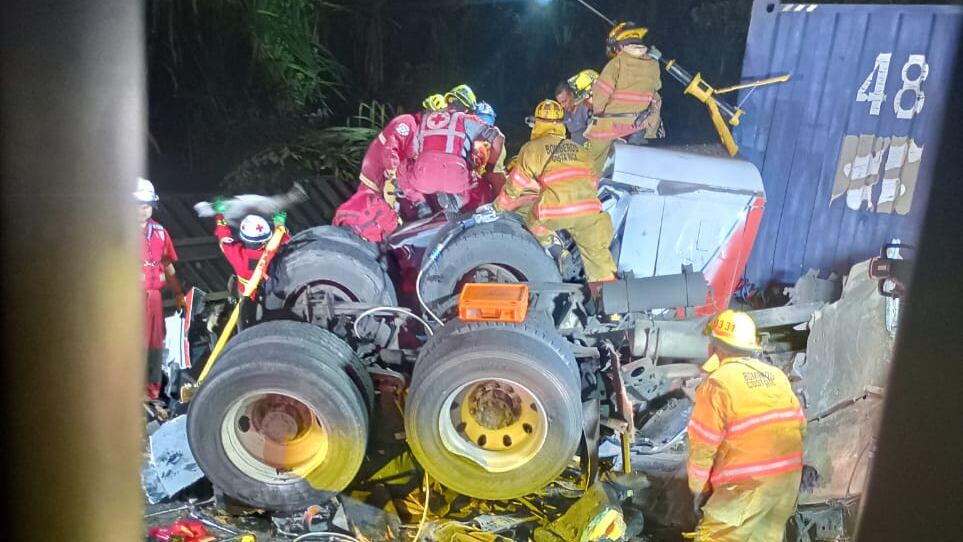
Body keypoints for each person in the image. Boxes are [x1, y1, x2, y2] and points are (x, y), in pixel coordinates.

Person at [687, 310, 806, 542]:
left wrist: (698, 490)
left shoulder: (717, 384)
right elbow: (800, 427)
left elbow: (703, 446)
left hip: (747, 487)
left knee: (714, 537)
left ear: (714, 346)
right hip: (786, 484)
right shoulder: (776, 376)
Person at [493, 100, 617, 286]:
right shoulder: (578, 148)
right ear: (561, 124)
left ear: (537, 123)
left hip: (555, 211)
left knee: (532, 220)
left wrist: (497, 208)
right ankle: (610, 306)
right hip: (589, 211)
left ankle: (558, 251)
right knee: (599, 261)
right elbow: (593, 180)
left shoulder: (532, 149)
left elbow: (515, 185)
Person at [398, 84, 497, 218]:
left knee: (403, 167)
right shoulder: (467, 119)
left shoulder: (424, 119)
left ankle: (420, 203)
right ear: (467, 108)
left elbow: (413, 150)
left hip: (423, 178)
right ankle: (457, 200)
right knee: (472, 180)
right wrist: (491, 167)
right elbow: (497, 136)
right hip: (455, 179)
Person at [585, 22, 663, 174]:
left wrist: (598, 113)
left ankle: (590, 189)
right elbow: (656, 88)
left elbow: (601, 95)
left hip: (611, 125)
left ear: (619, 46)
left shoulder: (616, 63)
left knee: (591, 165)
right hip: (640, 125)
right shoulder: (653, 65)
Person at [333, 110, 421, 241]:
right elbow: (391, 149)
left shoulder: (421, 135)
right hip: (377, 176)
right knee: (365, 213)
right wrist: (393, 175)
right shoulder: (408, 123)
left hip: (387, 181)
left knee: (378, 219)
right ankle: (348, 239)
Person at [135, 177, 185, 400]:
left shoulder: (160, 232)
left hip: (154, 297)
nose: (141, 210)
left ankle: (152, 390)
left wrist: (178, 294)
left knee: (155, 341)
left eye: (146, 205)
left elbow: (168, 264)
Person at [212, 205, 290, 295]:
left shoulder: (235, 253)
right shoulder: (276, 250)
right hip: (274, 295)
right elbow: (282, 238)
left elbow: (223, 237)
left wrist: (220, 215)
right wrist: (279, 222)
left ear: (244, 238)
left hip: (246, 299)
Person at [556, 69, 598, 145]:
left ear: (571, 95)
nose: (562, 105)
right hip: (574, 152)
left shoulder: (585, 108)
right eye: (560, 103)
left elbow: (595, 127)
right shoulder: (564, 113)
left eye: (564, 101)